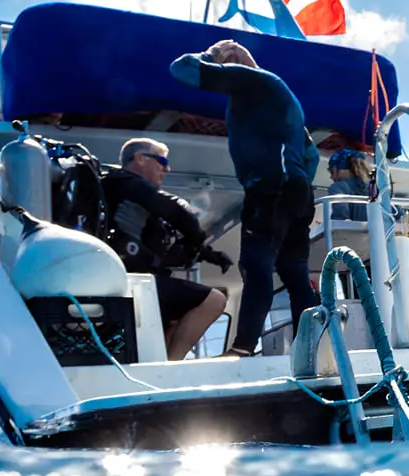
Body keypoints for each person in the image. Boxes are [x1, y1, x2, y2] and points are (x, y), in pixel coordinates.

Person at [168, 39, 319, 356]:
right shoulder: (280, 96)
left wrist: (210, 54)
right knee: (294, 274)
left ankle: (243, 346)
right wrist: (297, 179)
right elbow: (311, 154)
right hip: (298, 191)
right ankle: (315, 349)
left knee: (256, 264)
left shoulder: (251, 80)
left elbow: (181, 68)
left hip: (269, 187)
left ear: (232, 62)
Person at [101, 138, 232, 360]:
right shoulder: (125, 183)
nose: (167, 168)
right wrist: (199, 238)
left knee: (176, 318)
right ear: (140, 159)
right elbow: (177, 211)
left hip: (135, 282)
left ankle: (164, 366)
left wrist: (206, 254)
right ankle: (173, 366)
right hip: (130, 283)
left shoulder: (125, 194)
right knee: (214, 300)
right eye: (161, 160)